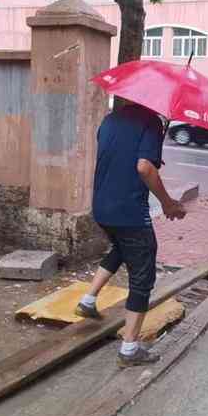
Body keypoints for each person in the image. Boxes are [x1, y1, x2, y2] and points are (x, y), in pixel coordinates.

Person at [75, 99, 186, 368]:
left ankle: (88, 300)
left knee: (122, 250)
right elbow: (144, 168)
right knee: (143, 275)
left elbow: (124, 157)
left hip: (102, 207)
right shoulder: (151, 123)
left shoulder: (109, 120)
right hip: (129, 212)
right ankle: (129, 349)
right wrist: (169, 203)